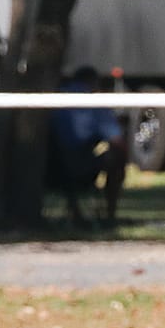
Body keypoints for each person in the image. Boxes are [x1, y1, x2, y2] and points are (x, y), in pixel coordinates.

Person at [48, 65, 127, 225]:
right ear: (93, 82)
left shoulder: (53, 97)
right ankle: (110, 216)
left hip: (48, 169)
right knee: (117, 158)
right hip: (79, 167)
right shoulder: (92, 102)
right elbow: (116, 140)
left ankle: (75, 210)